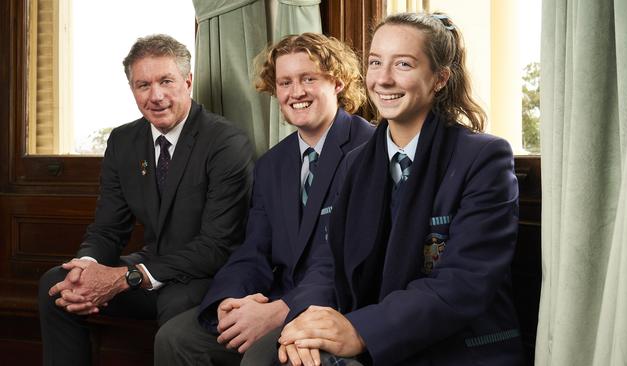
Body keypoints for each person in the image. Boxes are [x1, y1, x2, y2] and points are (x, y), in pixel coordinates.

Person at [278, 12, 525, 366]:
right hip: (372, 333)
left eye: (404, 64)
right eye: (376, 62)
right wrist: (305, 323)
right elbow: (327, 262)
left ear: (440, 78)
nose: (383, 79)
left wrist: (361, 330)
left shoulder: (484, 157)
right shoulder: (354, 162)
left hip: (456, 349)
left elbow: (464, 282)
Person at [154, 32, 374, 366]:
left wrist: (281, 311)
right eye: (285, 83)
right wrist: (229, 302)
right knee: (175, 338)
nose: (295, 92)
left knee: (260, 358)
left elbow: (346, 261)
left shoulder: (369, 149)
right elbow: (253, 248)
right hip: (276, 297)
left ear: (339, 82)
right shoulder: (273, 163)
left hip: (338, 307)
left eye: (308, 79)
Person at [38, 34, 254, 366]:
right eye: (143, 85)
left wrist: (129, 276)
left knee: (176, 304)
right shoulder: (124, 141)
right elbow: (108, 228)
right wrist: (87, 267)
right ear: (132, 90)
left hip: (208, 275)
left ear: (188, 81)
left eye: (166, 81)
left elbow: (216, 246)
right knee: (58, 285)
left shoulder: (225, 141)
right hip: (150, 267)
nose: (156, 96)